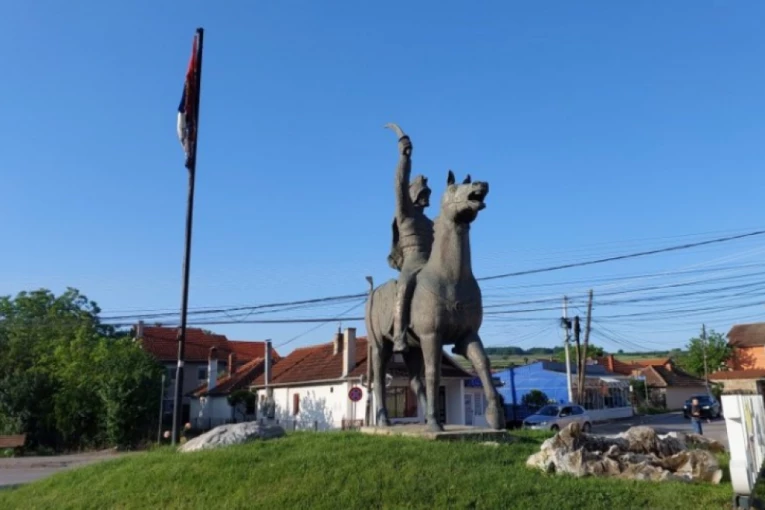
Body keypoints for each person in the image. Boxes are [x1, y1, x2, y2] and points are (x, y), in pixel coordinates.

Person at [386, 124, 434, 353]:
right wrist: (404, 157)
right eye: (422, 193)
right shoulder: (405, 215)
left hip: (432, 264)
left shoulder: (430, 223)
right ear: (413, 194)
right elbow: (399, 184)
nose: (426, 196)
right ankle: (399, 334)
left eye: (428, 193)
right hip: (412, 263)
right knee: (404, 286)